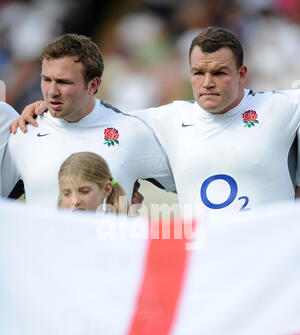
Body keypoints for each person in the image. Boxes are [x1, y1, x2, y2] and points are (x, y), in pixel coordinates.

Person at [16, 27, 300, 215]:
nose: (207, 83)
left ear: (242, 73)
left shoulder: (281, 107)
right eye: (198, 73)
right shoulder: (164, 120)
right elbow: (96, 119)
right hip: (205, 266)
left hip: (271, 263)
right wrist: (51, 105)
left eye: (220, 73)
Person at [1, 33, 175, 207]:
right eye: (46, 79)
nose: (52, 91)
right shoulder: (24, 133)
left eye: (64, 82)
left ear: (93, 85)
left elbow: (188, 181)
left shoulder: (130, 131)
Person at [58, 151, 129, 213]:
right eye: (67, 193)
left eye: (84, 191)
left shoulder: (119, 226)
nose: (75, 201)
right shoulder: (55, 226)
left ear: (106, 189)